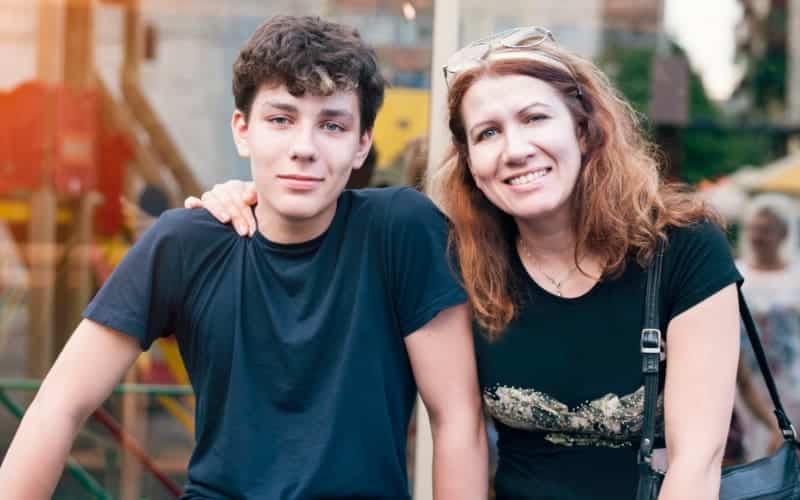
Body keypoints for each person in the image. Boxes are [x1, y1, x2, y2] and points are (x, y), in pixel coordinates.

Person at [189, 26, 743, 499]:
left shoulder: (683, 248)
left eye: (534, 119)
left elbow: (699, 459)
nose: (515, 148)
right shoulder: (457, 257)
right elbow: (318, 226)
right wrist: (245, 198)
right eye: (488, 133)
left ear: (583, 128)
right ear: (471, 162)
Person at [0, 16, 487, 500]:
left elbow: (456, 418)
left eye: (332, 125)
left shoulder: (401, 231)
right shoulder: (186, 243)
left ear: (362, 144)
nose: (304, 148)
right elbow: (58, 404)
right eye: (280, 119)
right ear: (242, 129)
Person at [735, 195, 800, 460]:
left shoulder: (795, 276)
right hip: (746, 381)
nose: (757, 237)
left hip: (792, 381)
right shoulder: (736, 273)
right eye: (753, 229)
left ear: (783, 233)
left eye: (765, 230)